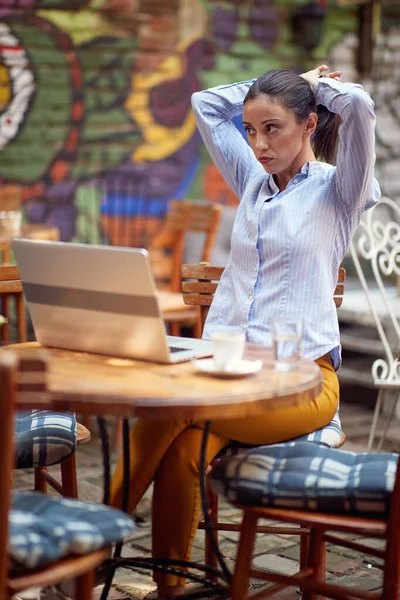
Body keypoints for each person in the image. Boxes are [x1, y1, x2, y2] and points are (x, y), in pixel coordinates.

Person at [110, 64, 380, 598]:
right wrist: (278, 85)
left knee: (177, 408)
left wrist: (319, 88)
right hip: (229, 375)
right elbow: (205, 103)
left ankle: (89, 541)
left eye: (272, 128)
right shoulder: (253, 182)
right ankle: (171, 588)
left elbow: (362, 109)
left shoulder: (339, 191)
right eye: (252, 130)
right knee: (187, 449)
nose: (258, 143)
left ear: (309, 124)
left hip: (303, 385)